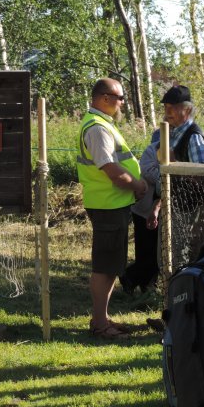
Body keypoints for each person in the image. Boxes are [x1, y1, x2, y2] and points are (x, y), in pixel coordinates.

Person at [77, 78, 147, 340]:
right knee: (105, 267)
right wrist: (137, 185)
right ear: (104, 98)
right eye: (119, 98)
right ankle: (99, 324)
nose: (122, 103)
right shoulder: (97, 128)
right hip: (108, 204)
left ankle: (101, 318)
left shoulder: (101, 124)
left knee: (110, 265)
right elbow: (112, 170)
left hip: (110, 204)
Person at [120, 138, 161, 295]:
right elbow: (147, 171)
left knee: (157, 250)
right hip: (143, 209)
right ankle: (132, 278)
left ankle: (143, 283)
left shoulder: (177, 151)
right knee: (145, 248)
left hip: (160, 209)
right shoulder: (152, 150)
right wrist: (167, 172)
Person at [161, 85, 204, 164]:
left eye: (173, 107)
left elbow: (201, 171)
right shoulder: (172, 133)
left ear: (188, 110)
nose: (168, 112)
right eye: (166, 107)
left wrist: (174, 162)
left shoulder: (194, 137)